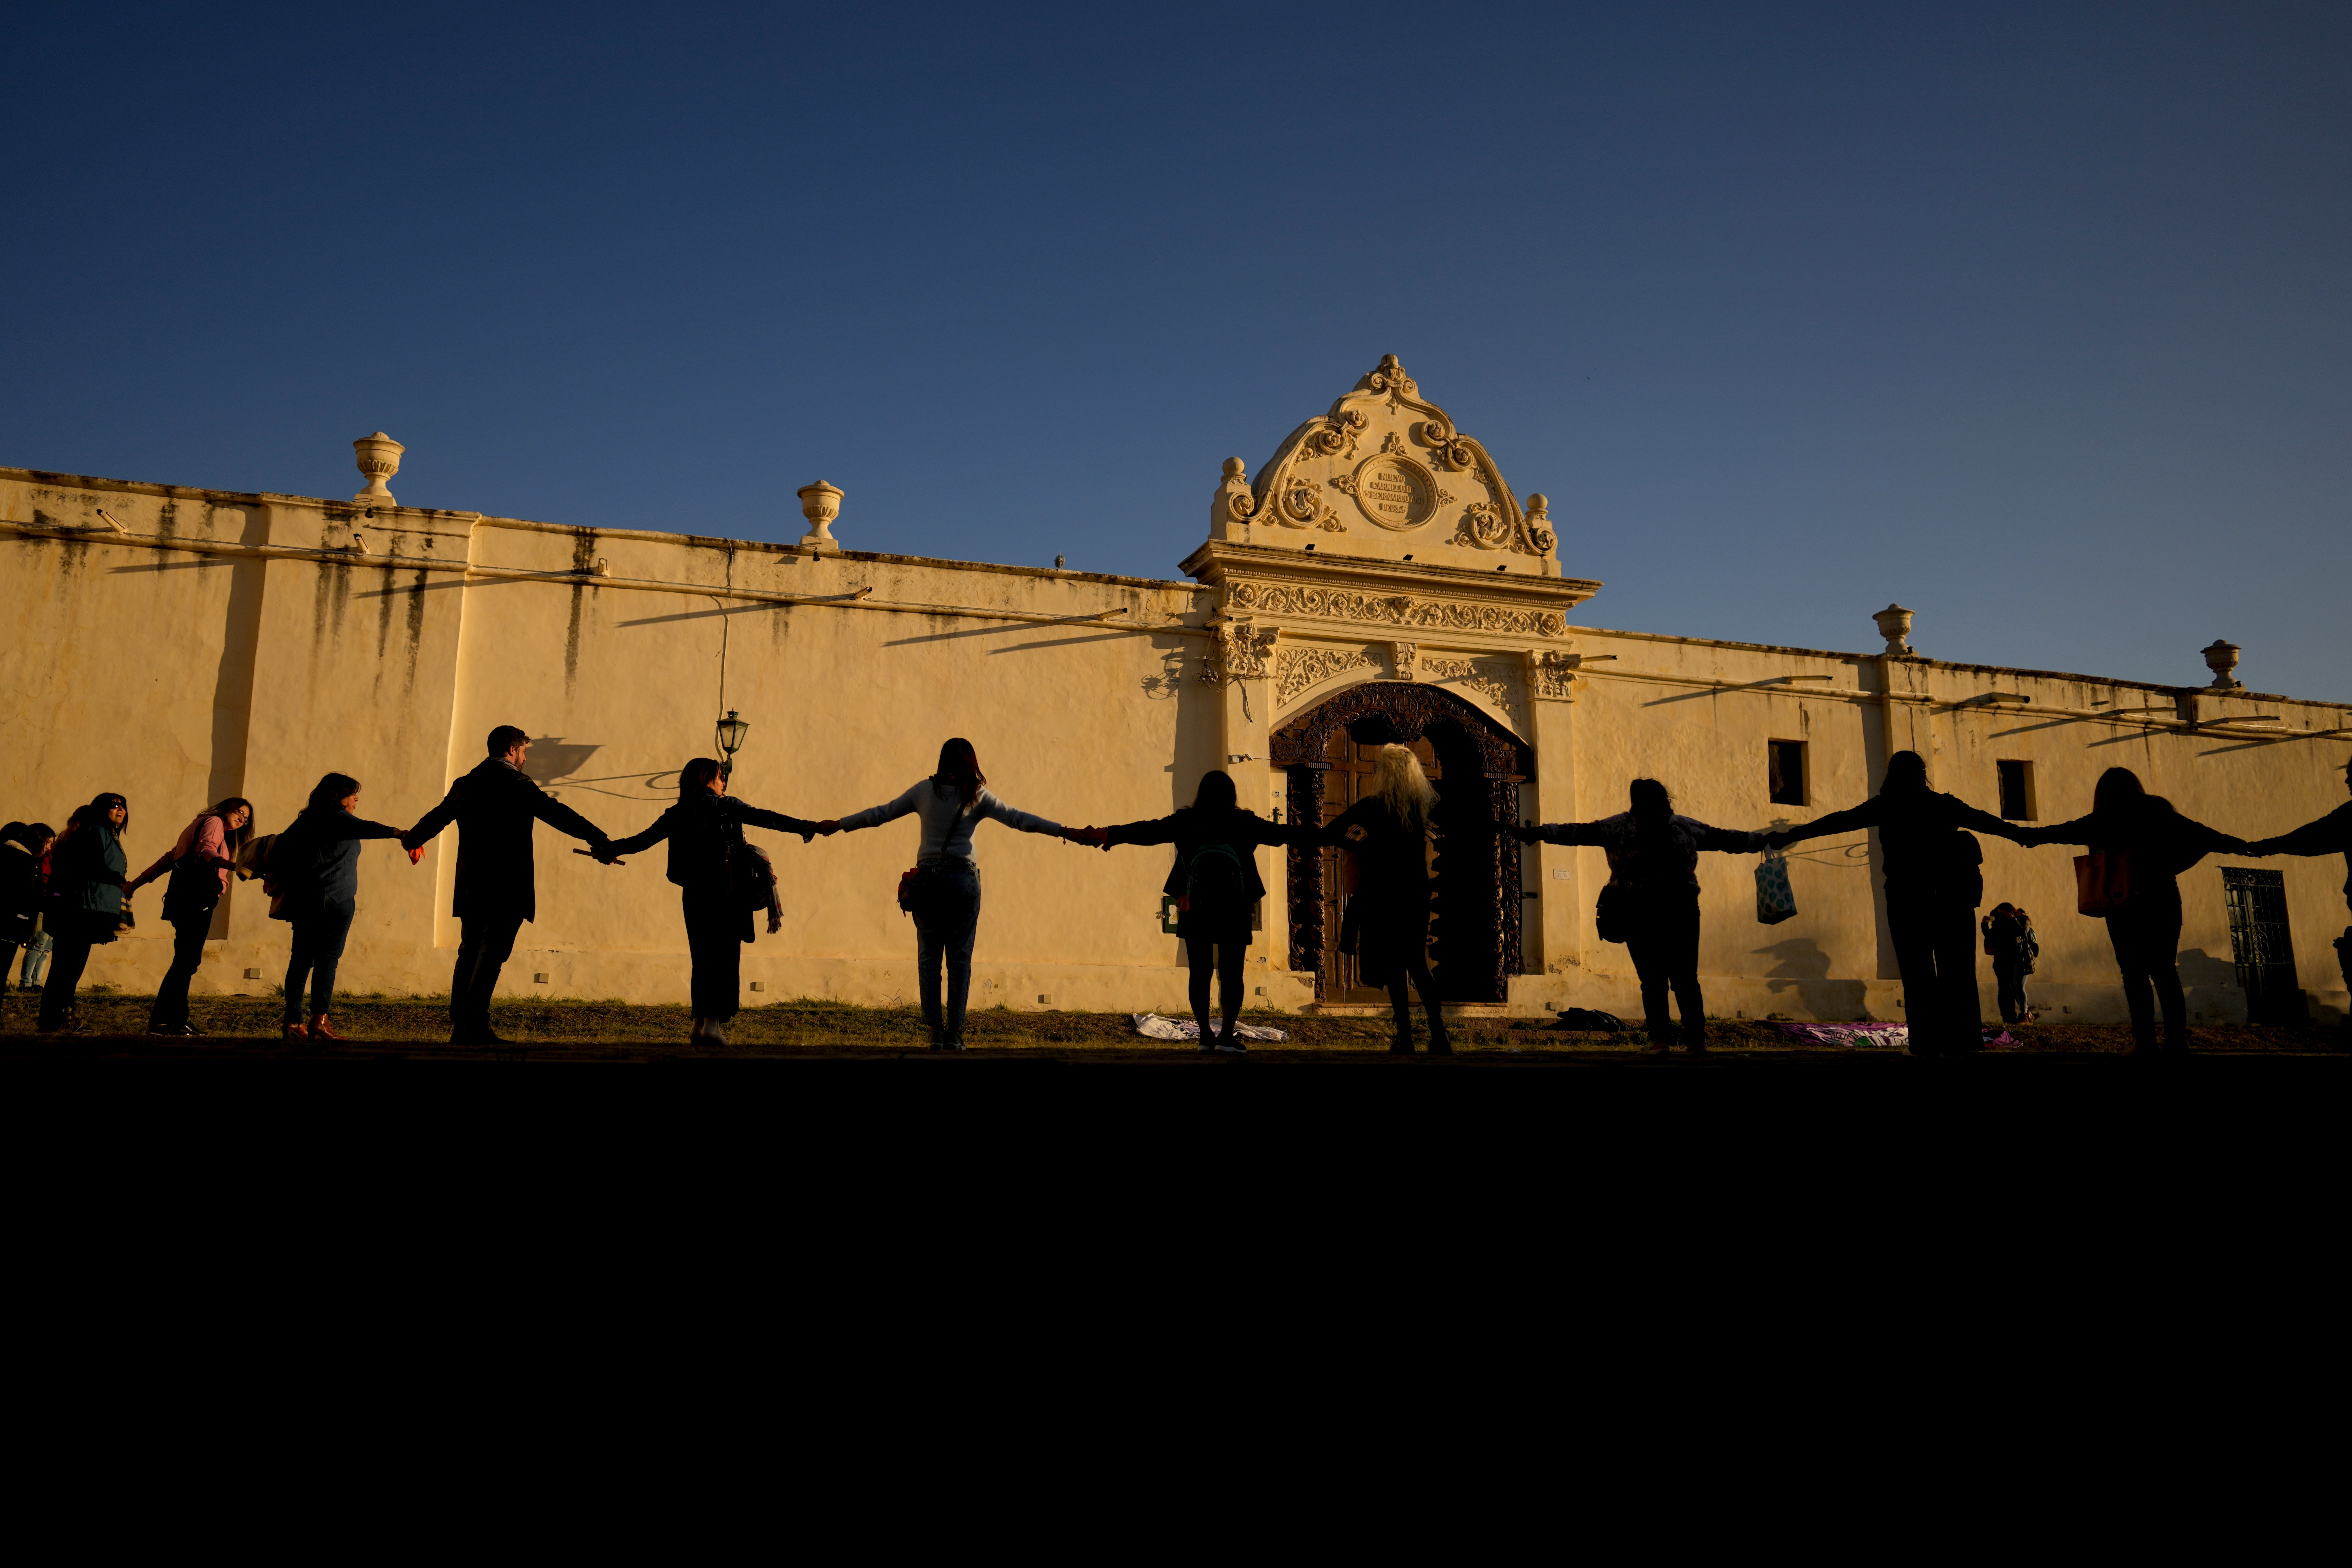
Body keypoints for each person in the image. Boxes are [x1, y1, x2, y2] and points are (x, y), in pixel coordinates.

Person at [1767, 751, 2023, 1056]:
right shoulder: (1943, 805)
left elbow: (1838, 821)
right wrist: (2026, 835)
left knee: (1918, 979)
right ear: (1923, 774)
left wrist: (1789, 836)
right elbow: (1988, 822)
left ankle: (1927, 1045)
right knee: (1959, 978)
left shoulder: (1887, 805)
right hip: (1953, 903)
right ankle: (1965, 1043)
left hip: (1907, 903)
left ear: (1892, 774)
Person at [817, 739, 1066, 1051]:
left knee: (929, 959)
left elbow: (881, 814)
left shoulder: (924, 791)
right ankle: (956, 1035)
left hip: (928, 882)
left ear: (943, 760)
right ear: (971, 763)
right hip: (964, 881)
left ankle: (935, 1033)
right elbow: (1018, 819)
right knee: (960, 961)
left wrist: (839, 825)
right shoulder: (977, 795)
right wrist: (1063, 831)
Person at [1072, 769, 1317, 1054]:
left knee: (1200, 974)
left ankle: (1205, 1036)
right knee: (1232, 973)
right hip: (1234, 909)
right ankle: (1226, 1036)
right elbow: (1285, 834)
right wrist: (1333, 835)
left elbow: (1148, 831)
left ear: (1201, 793)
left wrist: (1108, 834)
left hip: (1196, 907)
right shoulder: (1244, 822)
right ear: (1232, 795)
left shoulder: (1185, 822)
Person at [1517, 778, 1767, 1054]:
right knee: (1685, 979)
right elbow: (1726, 838)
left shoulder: (1619, 827)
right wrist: (1764, 840)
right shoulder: (1684, 827)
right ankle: (1696, 1041)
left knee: (1652, 980)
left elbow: (1577, 832)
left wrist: (1536, 832)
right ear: (1665, 799)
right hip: (1682, 911)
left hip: (1637, 911)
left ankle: (1660, 1040)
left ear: (1635, 800)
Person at [2013, 767, 2247, 1057]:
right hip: (2162, 899)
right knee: (2164, 971)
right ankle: (2176, 1042)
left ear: (2103, 794)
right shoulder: (2157, 810)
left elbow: (2062, 832)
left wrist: (2020, 834)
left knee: (2134, 973)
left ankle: (2145, 1042)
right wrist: (2244, 847)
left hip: (2121, 902)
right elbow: (2202, 836)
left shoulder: (2104, 818)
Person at [403, 725, 611, 1046]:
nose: (525, 758)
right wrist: (599, 838)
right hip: (507, 884)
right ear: (512, 750)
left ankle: (461, 1025)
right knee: (491, 954)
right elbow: (557, 814)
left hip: (471, 884)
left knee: (469, 951)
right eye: (524, 751)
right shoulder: (516, 783)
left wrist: (412, 839)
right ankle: (474, 1024)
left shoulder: (465, 784)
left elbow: (436, 818)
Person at [595, 757, 818, 1045]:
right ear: (707, 779)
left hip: (694, 893)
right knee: (724, 958)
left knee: (702, 958)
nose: (724, 781)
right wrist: (807, 827)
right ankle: (712, 1025)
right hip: (726, 892)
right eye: (720, 776)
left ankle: (699, 1024)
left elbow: (642, 841)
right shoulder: (727, 807)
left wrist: (609, 850)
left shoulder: (678, 812)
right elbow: (768, 818)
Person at [1316, 744, 1455, 1055]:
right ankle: (1439, 1034)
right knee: (1416, 961)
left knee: (1394, 963)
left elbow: (1330, 834)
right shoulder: (1426, 805)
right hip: (1414, 891)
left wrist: (1361, 845)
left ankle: (1405, 1036)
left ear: (1385, 774)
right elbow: (1460, 826)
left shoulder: (1372, 807)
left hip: (1382, 891)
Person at [269, 774, 407, 1044]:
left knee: (301, 960)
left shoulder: (305, 820)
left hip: (305, 899)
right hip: (336, 899)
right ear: (338, 796)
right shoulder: (337, 817)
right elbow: (366, 827)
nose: (356, 799)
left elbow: (280, 847)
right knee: (328, 960)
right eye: (352, 794)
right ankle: (320, 1020)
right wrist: (397, 832)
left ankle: (293, 1021)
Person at [125, 797, 253, 1036]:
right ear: (227, 808)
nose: (242, 819)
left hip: (182, 899)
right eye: (239, 812)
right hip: (197, 899)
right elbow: (206, 849)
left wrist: (135, 884)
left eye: (246, 818)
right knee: (186, 963)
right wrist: (232, 865)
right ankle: (165, 1021)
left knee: (185, 962)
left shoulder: (198, 825)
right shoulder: (214, 822)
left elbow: (168, 860)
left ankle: (174, 1019)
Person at [2246, 759, 2352, 1024]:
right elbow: (2315, 836)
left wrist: (2267, 846)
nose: (2347, 781)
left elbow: (2313, 837)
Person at [37, 794, 132, 1032]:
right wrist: (120, 881)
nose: (120, 809)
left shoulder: (107, 834)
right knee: (67, 968)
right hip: (81, 909)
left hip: (91, 907)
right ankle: (55, 1019)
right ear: (101, 810)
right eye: (114, 805)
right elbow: (92, 865)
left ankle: (59, 1018)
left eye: (123, 806)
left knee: (70, 968)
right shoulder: (97, 831)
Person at [2, 822, 54, 993]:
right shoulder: (22, 859)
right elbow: (29, 893)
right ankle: (27, 982)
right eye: (48, 843)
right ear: (38, 840)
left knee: (45, 949)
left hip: (14, 926)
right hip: (9, 926)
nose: (49, 848)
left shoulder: (27, 859)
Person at [1981, 902, 2039, 1026]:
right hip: (2002, 963)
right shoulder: (2000, 926)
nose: (2000, 916)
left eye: (2003, 914)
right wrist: (1985, 925)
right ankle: (2016, 1017)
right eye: (1999, 914)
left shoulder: (2021, 921)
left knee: (2017, 988)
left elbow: (2023, 933)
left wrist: (2013, 920)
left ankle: (2024, 1015)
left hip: (2019, 960)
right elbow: (1991, 938)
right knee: (2008, 990)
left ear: (2010, 912)